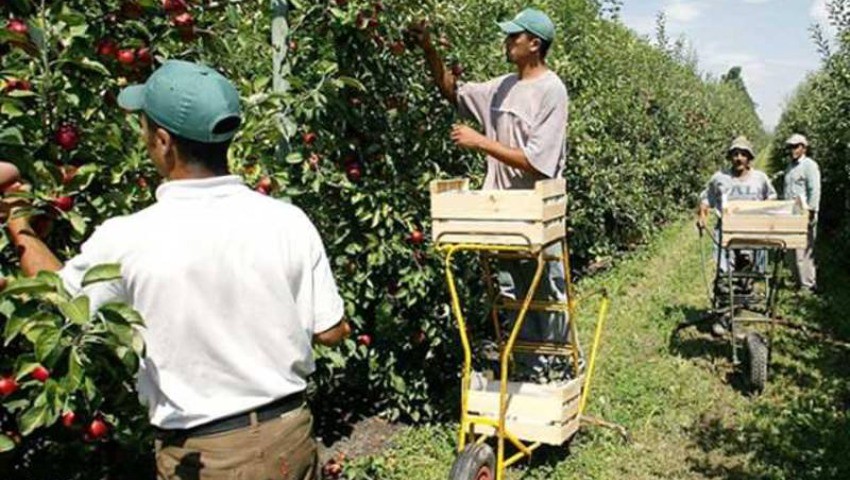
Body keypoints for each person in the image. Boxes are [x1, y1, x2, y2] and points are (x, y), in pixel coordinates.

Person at [0, 60, 350, 480]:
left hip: (205, 455)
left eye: (146, 129)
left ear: (164, 142)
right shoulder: (288, 220)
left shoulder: (128, 238)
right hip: (289, 437)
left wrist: (19, 224)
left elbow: (58, 300)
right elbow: (331, 332)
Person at [410, 8, 571, 381]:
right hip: (501, 216)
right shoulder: (501, 86)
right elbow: (451, 90)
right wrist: (429, 50)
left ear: (535, 43)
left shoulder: (551, 91)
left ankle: (557, 374)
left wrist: (481, 141)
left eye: (514, 37)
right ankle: (528, 372)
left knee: (546, 296)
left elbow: (539, 162)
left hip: (537, 215)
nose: (508, 42)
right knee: (512, 295)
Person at [697, 136, 777, 335]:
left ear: (749, 157)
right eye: (735, 154)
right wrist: (702, 216)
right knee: (725, 276)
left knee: (745, 278)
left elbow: (772, 198)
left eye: (743, 154)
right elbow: (706, 198)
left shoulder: (760, 178)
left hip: (752, 235)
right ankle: (722, 317)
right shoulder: (720, 178)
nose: (738, 158)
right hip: (726, 233)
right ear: (730, 157)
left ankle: (736, 316)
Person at [782, 133, 820, 293]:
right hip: (791, 212)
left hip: (804, 212)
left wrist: (811, 211)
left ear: (804, 148)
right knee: (791, 248)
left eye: (796, 146)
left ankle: (808, 284)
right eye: (791, 147)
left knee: (803, 249)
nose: (793, 150)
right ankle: (798, 280)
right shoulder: (790, 166)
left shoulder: (809, 165)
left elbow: (814, 189)